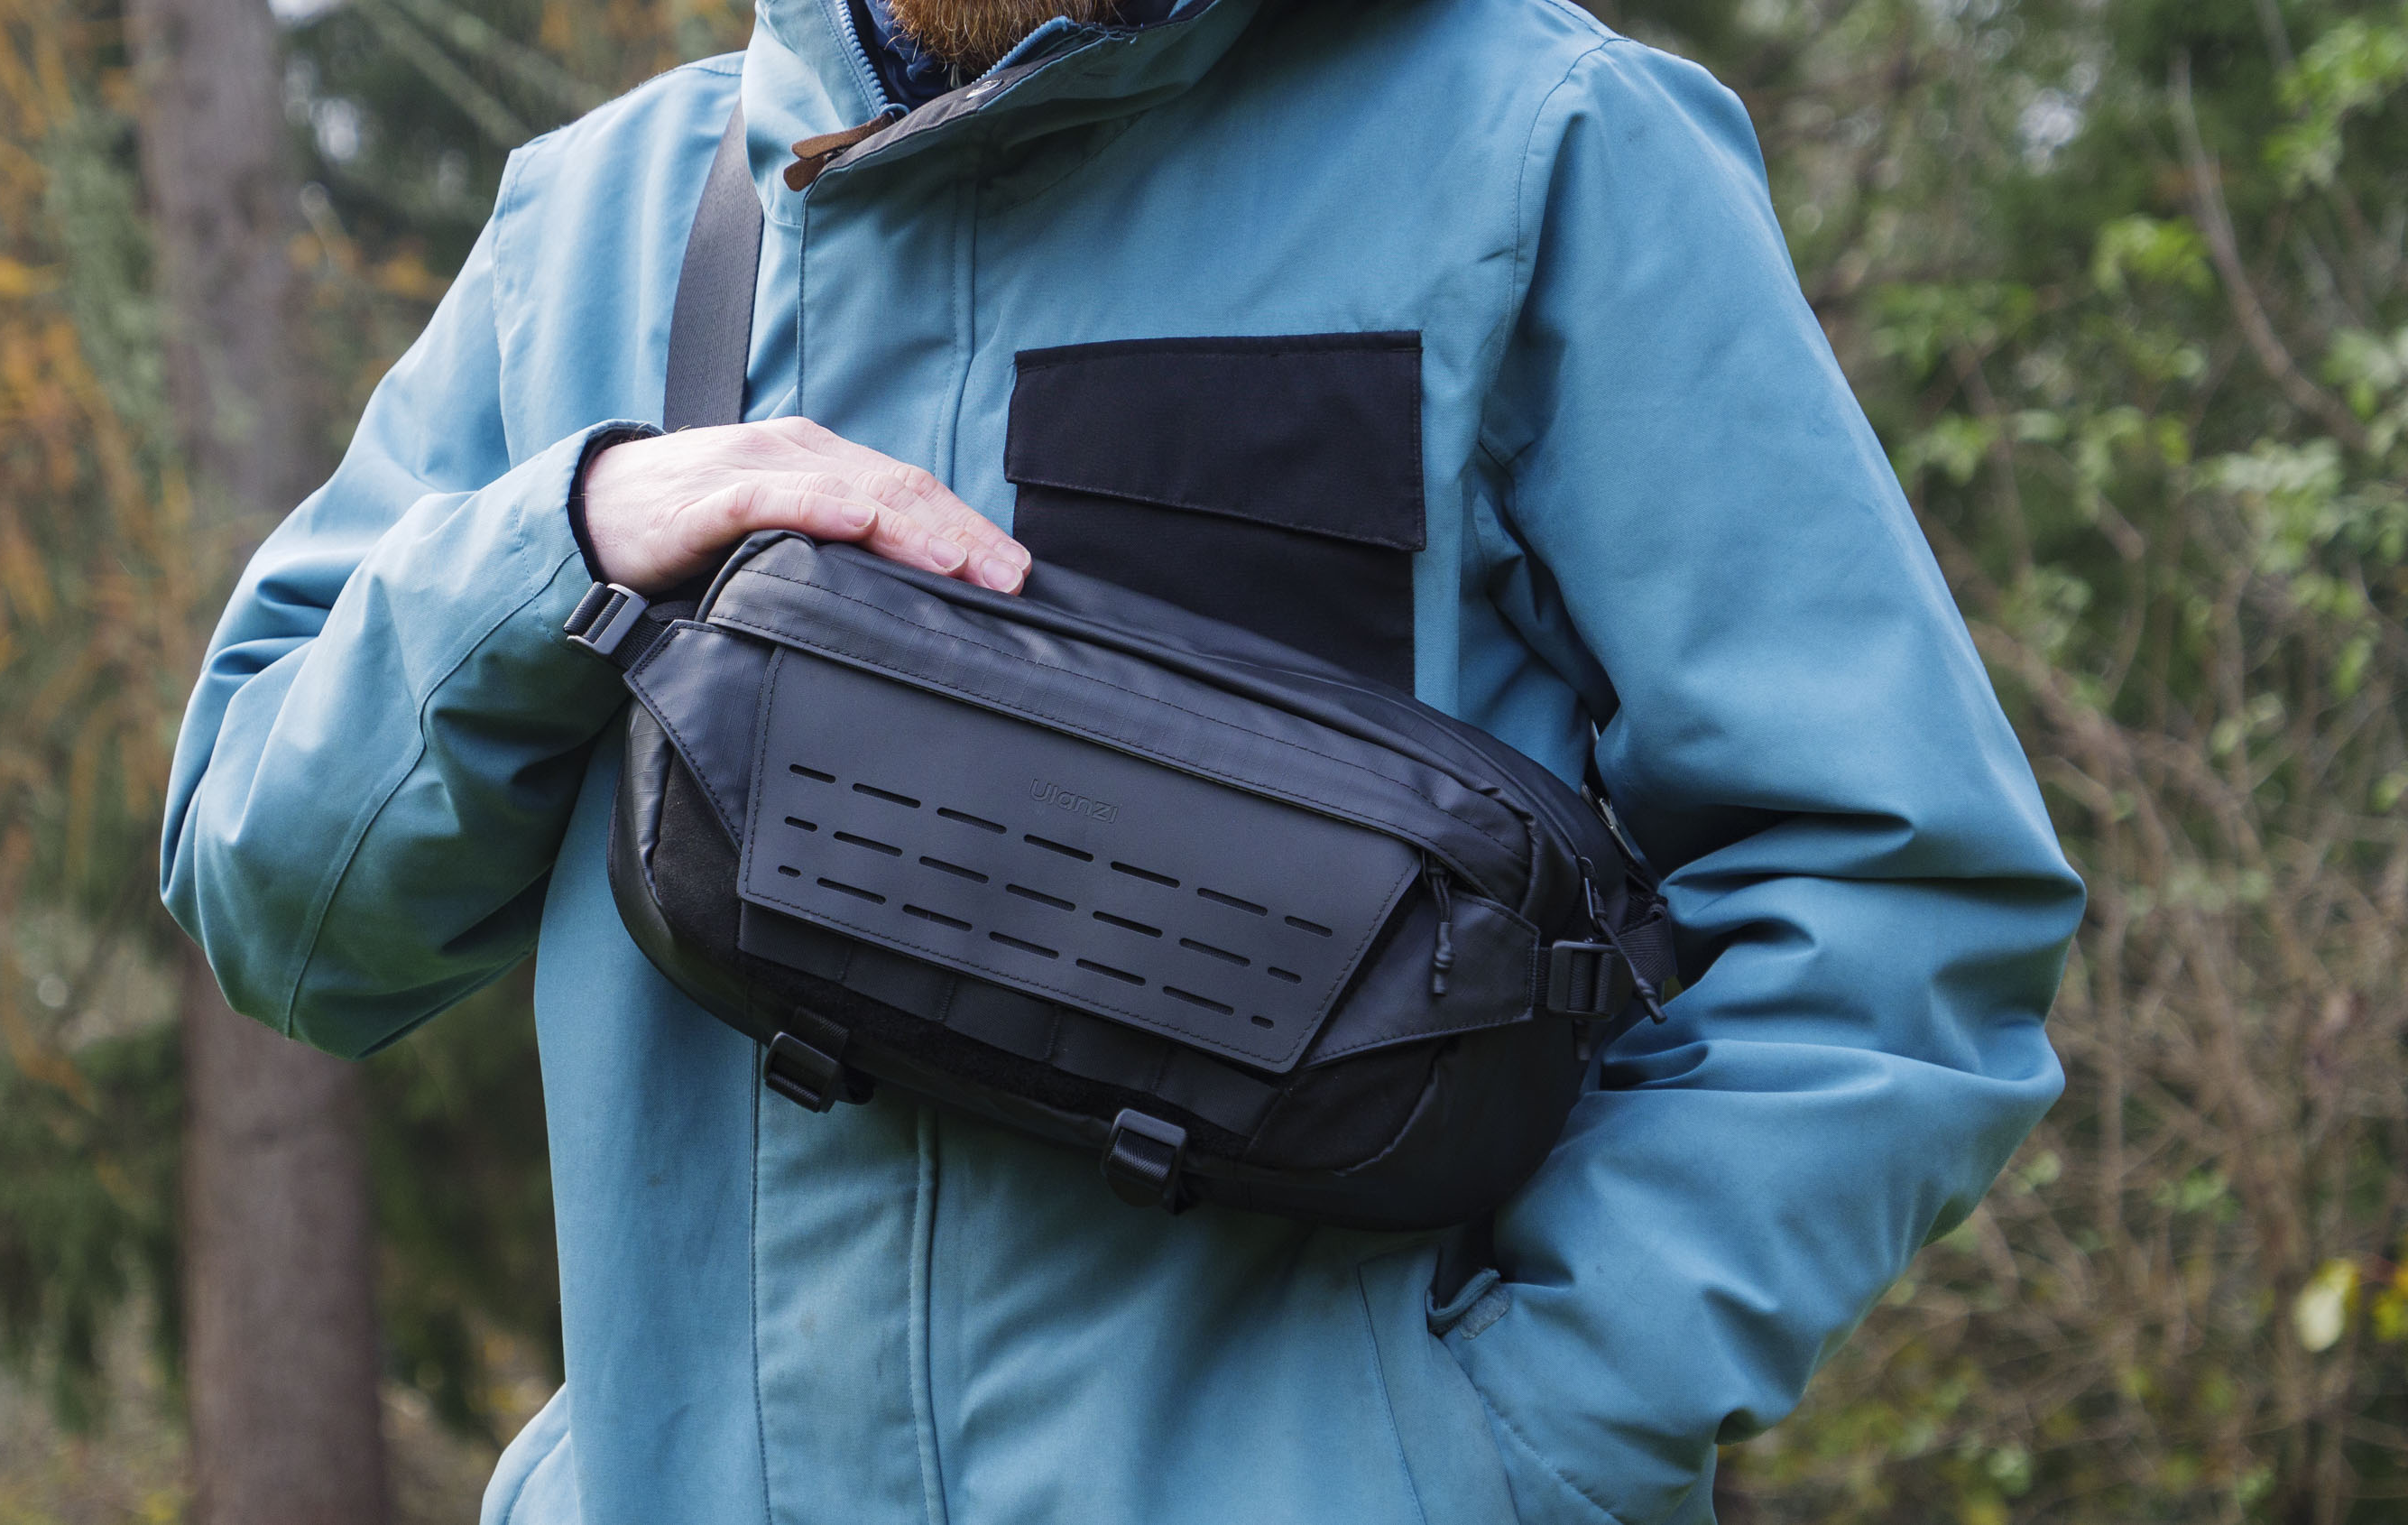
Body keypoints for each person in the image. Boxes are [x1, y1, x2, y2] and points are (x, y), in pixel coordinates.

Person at [158, 0, 2085, 1512]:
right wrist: (568, 533)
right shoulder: (593, 230)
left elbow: (1891, 897)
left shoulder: (1540, 146)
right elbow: (281, 896)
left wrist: (1494, 1448)